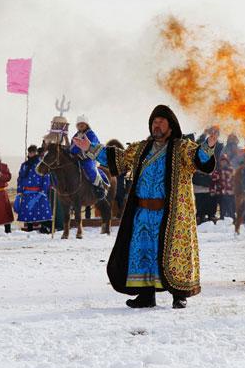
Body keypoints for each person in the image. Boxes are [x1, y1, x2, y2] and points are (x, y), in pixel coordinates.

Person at [81, 105, 216, 309]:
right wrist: (90, 148)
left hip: (171, 215)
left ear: (171, 126)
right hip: (142, 212)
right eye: (154, 121)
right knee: (142, 253)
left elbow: (199, 159)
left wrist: (208, 147)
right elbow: (118, 159)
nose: (157, 125)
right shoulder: (140, 149)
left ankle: (178, 295)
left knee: (172, 253)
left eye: (161, 121)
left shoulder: (182, 148)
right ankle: (145, 296)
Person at [15, 145, 53, 232]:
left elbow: (46, 178)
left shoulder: (42, 164)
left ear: (36, 152)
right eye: (30, 152)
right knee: (28, 214)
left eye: (33, 152)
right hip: (27, 193)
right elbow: (20, 178)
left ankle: (49, 228)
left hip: (39, 193)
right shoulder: (24, 165)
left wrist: (43, 191)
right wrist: (19, 191)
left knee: (43, 213)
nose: (31, 154)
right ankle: (30, 230)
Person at [70, 115, 109, 199]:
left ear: (86, 125)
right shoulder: (75, 135)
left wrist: (82, 151)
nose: (80, 126)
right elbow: (72, 147)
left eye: (82, 124)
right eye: (79, 124)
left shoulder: (91, 134)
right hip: (76, 158)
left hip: (89, 158)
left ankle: (99, 186)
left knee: (89, 167)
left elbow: (93, 146)